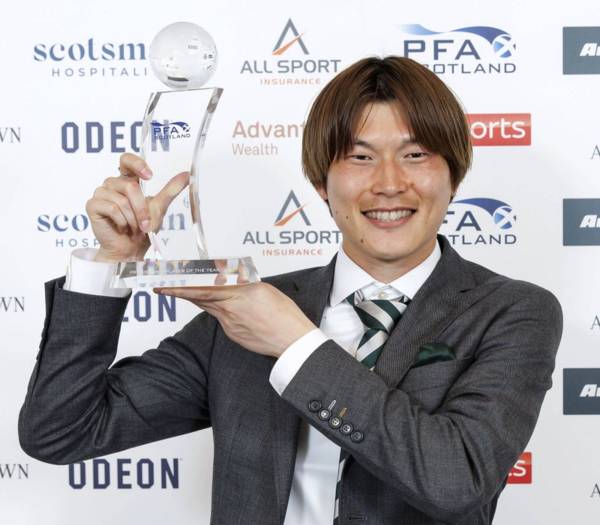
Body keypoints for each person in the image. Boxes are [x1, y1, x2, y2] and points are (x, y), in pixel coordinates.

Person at [19, 56, 562, 525]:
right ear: (322, 182)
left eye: (415, 154)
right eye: (360, 157)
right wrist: (109, 265)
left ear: (454, 176)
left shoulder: (512, 312)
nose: (389, 183)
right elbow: (61, 430)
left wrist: (295, 344)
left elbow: (456, 479)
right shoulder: (241, 311)